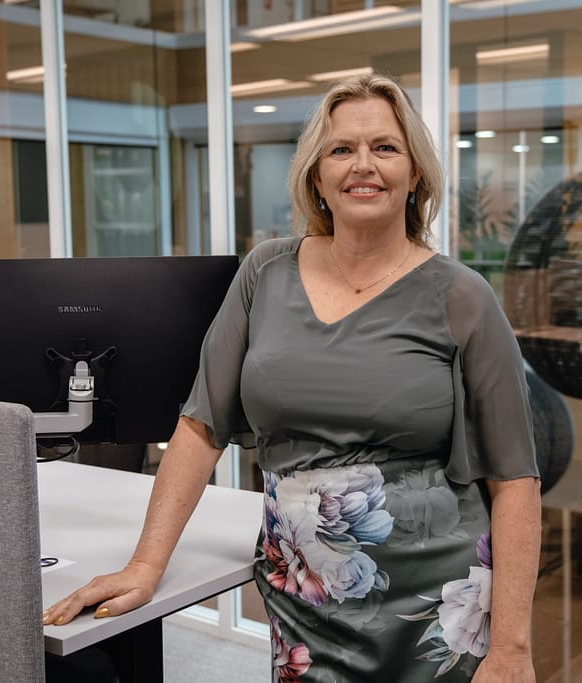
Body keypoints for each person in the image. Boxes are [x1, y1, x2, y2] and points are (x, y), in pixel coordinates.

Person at [43, 73, 542, 682]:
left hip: (437, 610)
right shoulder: (265, 272)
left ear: (415, 174)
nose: (363, 165)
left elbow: (515, 481)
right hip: (303, 598)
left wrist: (512, 648)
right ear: (316, 176)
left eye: (385, 147)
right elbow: (199, 428)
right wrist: (145, 565)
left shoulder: (463, 295)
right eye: (341, 149)